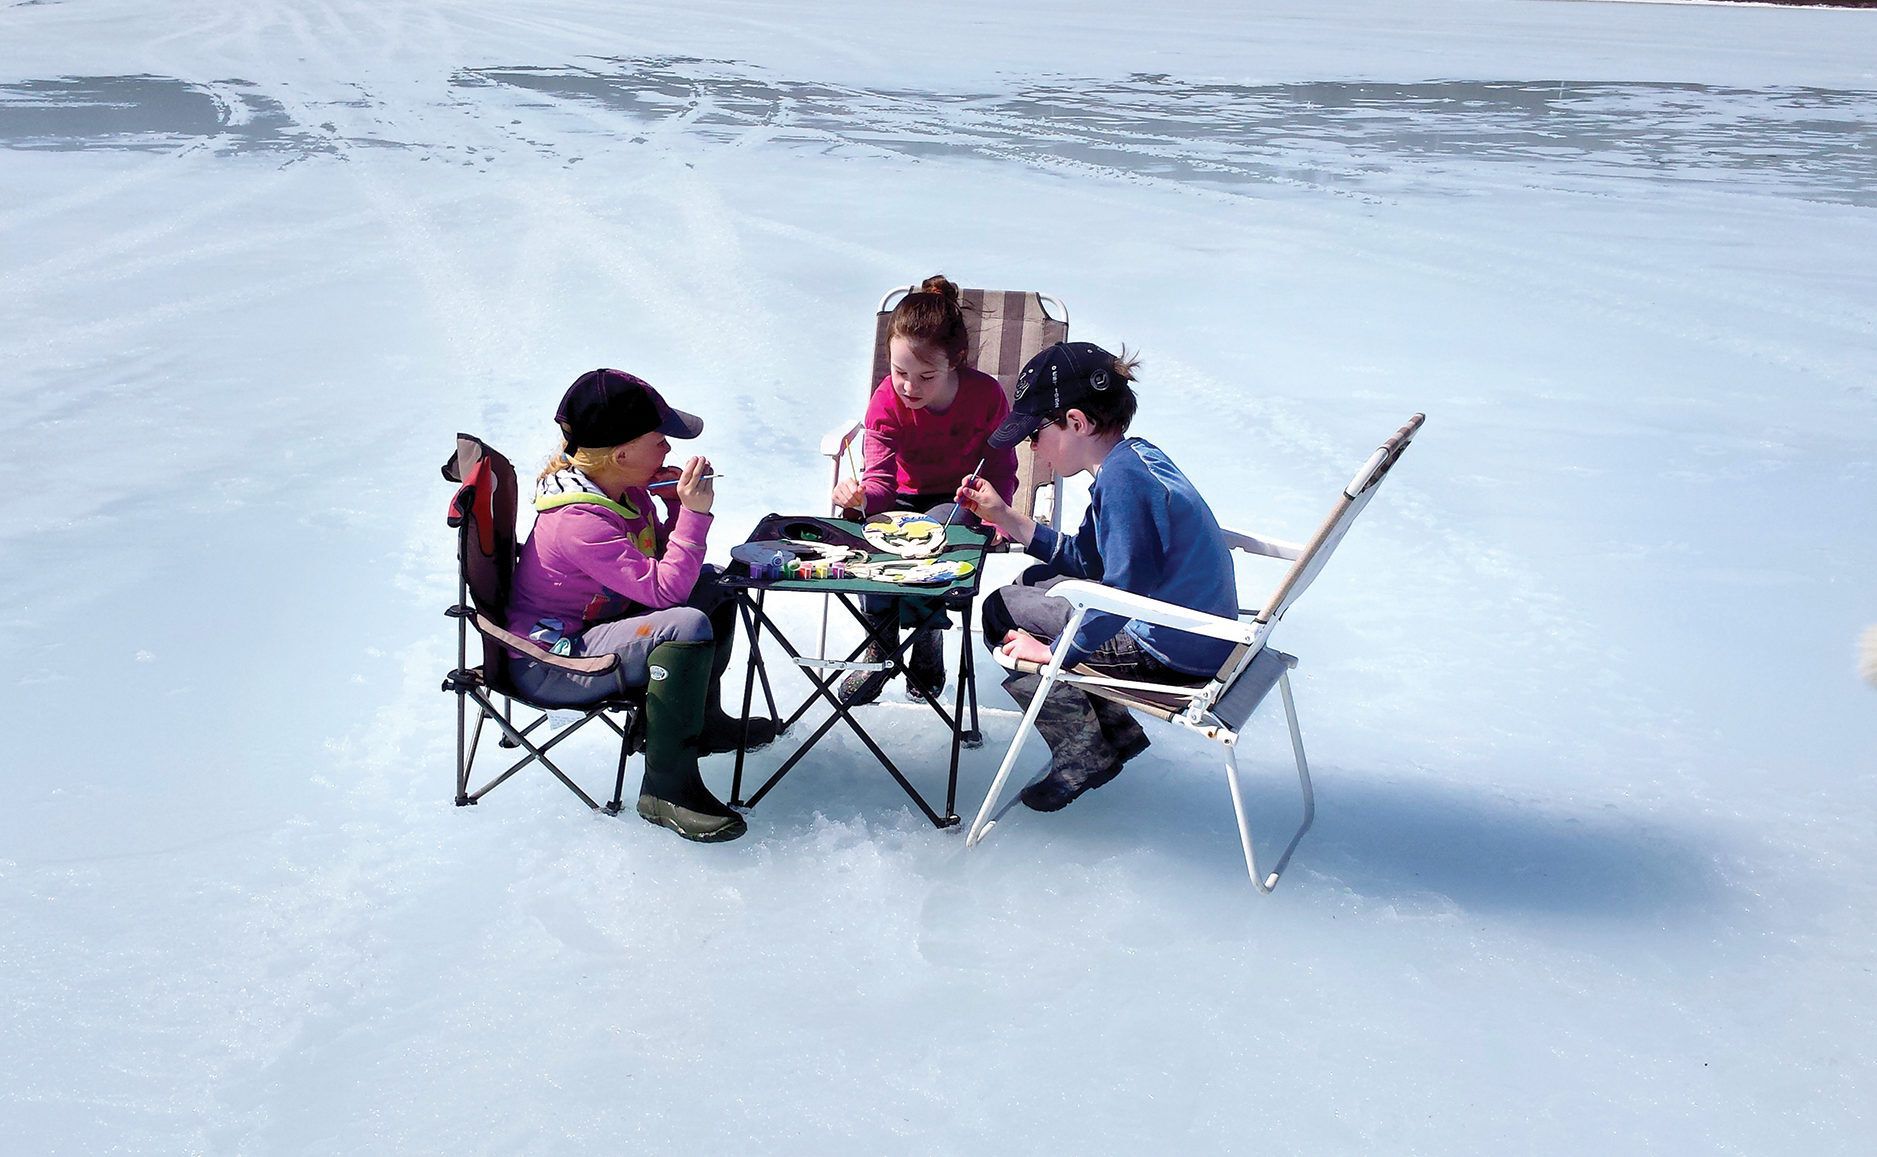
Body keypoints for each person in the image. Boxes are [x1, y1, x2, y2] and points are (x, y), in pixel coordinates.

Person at [956, 341, 1238, 812]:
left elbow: (1123, 588)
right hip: (1194, 632)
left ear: (1076, 423)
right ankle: (1114, 732)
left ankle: (1084, 751)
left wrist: (1053, 651)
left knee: (999, 609)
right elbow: (1088, 560)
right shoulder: (1131, 461)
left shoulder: (1122, 482)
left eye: (1035, 432)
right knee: (1033, 581)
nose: (1032, 447)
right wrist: (1005, 516)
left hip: (1170, 649)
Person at [507, 368, 779, 843]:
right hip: (554, 658)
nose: (669, 450)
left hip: (595, 630)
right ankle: (666, 791)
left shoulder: (625, 492)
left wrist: (674, 507)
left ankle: (703, 723)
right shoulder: (579, 522)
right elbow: (665, 594)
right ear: (622, 454)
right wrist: (694, 511)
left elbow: (666, 569)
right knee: (686, 622)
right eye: (660, 440)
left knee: (712, 584)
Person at [829, 275, 1019, 705]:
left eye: (926, 376)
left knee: (929, 539)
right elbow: (880, 482)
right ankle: (880, 639)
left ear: (956, 361)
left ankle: (927, 635)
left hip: (959, 499)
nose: (910, 387)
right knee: (874, 540)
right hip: (899, 499)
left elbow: (1002, 465)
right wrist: (860, 499)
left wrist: (999, 515)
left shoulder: (985, 396)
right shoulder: (885, 402)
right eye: (900, 373)